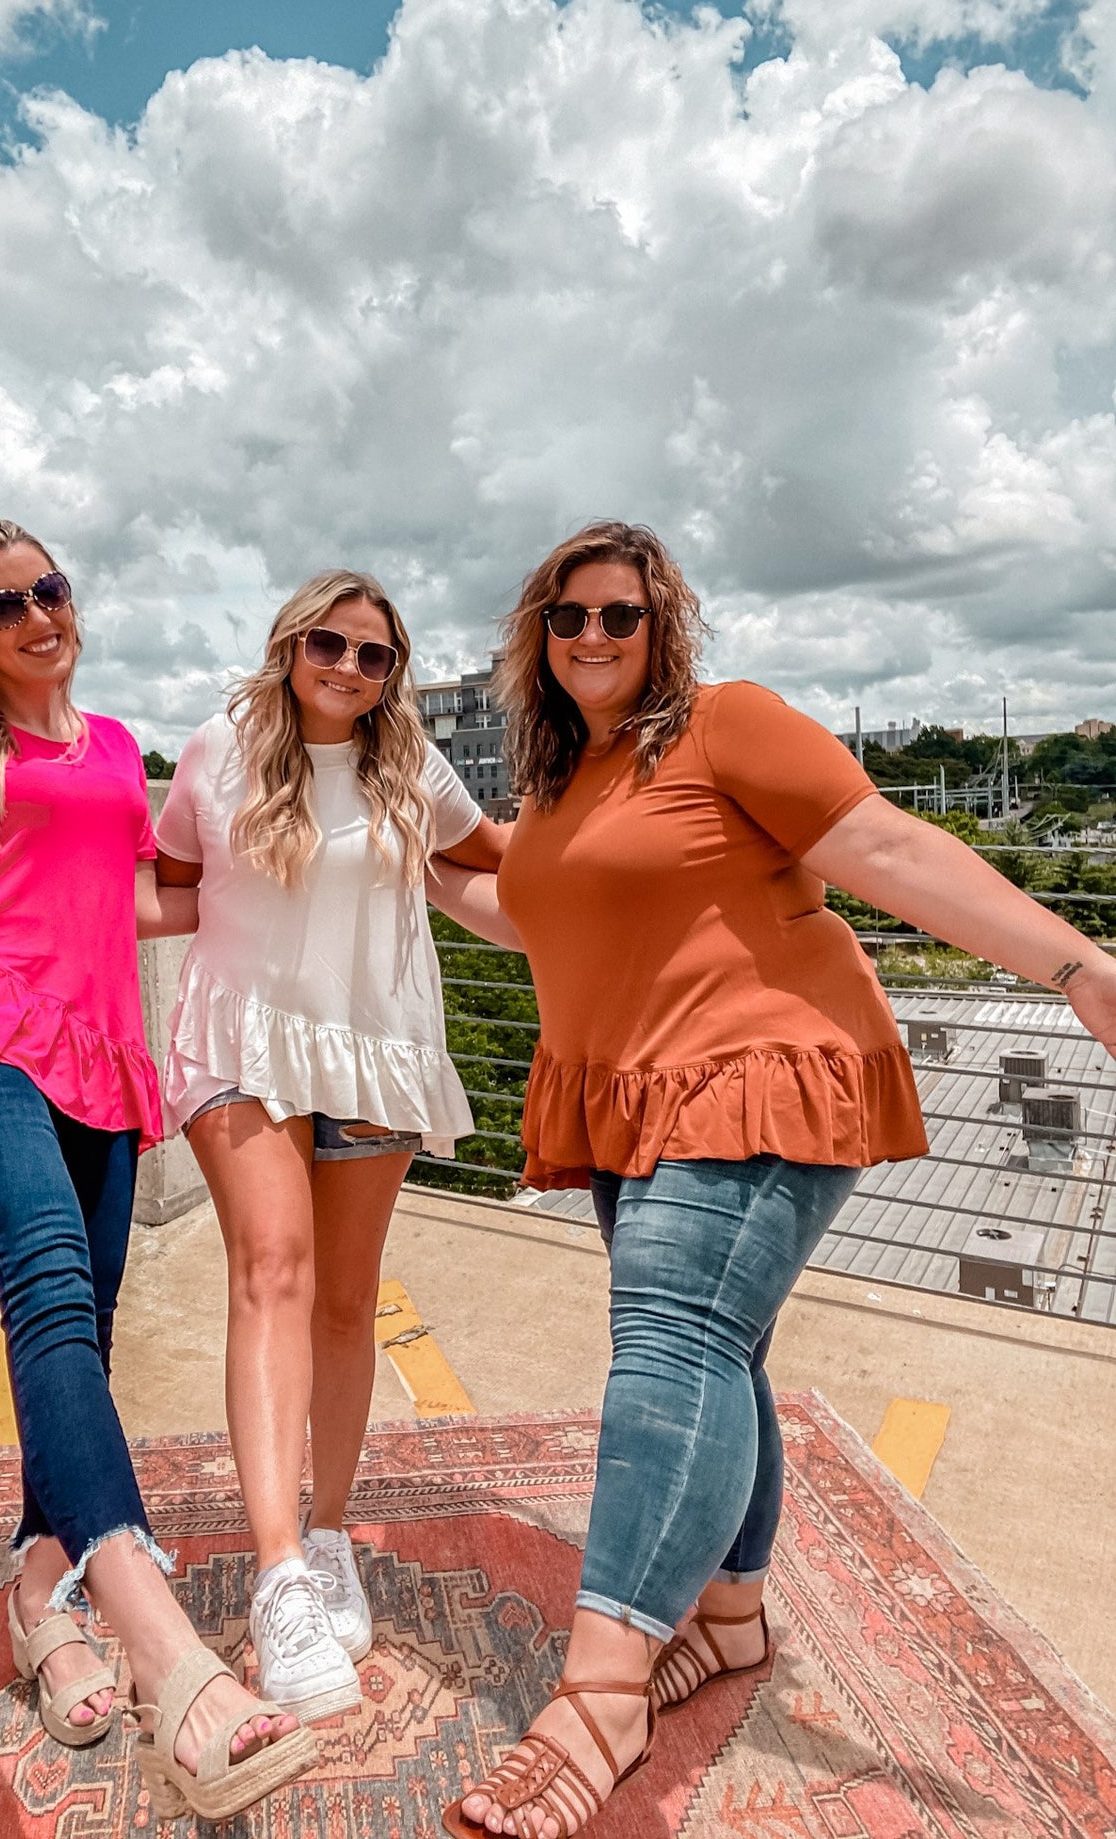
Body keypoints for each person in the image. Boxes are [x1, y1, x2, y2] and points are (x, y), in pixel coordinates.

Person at [431, 522, 1116, 1839]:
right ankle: (731, 1617)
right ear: (535, 634)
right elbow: (530, 911)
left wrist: (1077, 968)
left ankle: (602, 1688)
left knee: (669, 1344)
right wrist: (397, 855)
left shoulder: (728, 724)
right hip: (636, 1088)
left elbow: (892, 851)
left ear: (660, 624)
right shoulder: (567, 784)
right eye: (567, 616)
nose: (591, 636)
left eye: (618, 615)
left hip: (761, 1063)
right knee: (719, 1349)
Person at [0, 517, 313, 1824]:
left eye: (49, 589)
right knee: (50, 1283)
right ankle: (160, 1644)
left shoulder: (110, 746)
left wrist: (251, 889)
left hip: (96, 1050)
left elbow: (128, 894)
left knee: (76, 1337)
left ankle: (38, 1590)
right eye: (4, 604)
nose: (38, 613)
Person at [152, 569, 505, 1724]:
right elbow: (172, 884)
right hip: (240, 1038)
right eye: (330, 643)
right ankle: (277, 1579)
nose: (349, 667)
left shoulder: (413, 768)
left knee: (347, 1302)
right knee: (273, 1272)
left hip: (372, 1051)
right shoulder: (221, 748)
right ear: (289, 643)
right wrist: (29, 907)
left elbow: (496, 867)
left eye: (374, 654)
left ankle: (330, 1532)